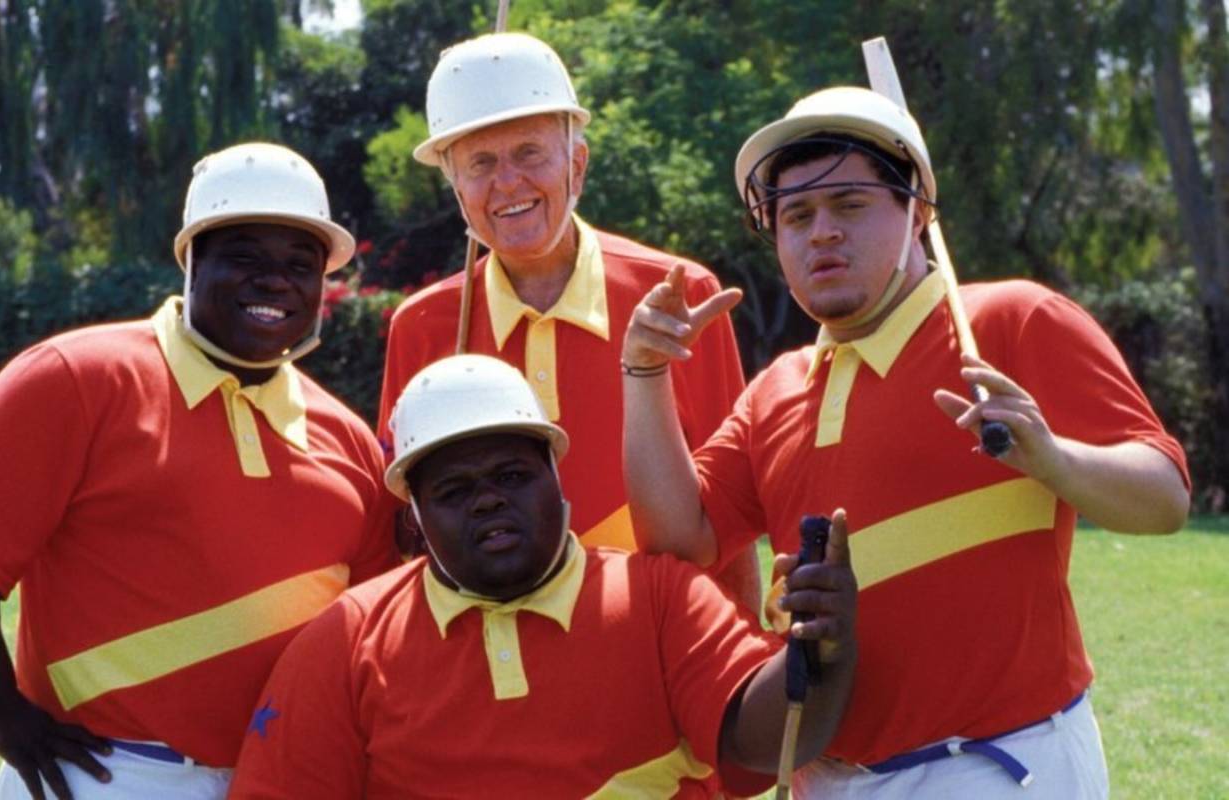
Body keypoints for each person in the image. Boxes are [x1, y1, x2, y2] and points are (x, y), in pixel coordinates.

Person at [621, 86, 1191, 798]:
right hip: (826, 779)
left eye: (850, 206)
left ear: (918, 212)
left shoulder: (1010, 321)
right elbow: (679, 536)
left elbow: (1164, 497)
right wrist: (643, 374)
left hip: (999, 767)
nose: (821, 232)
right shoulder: (776, 389)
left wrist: (1054, 459)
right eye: (795, 215)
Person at [0, 143, 399, 800]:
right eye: (245, 258)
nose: (276, 281)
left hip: (277, 779)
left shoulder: (349, 440)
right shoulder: (78, 376)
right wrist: (2, 715)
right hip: (103, 773)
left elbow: (373, 635)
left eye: (301, 265)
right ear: (192, 258)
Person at [228, 354, 858, 798]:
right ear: (415, 517)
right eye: (454, 490)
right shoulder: (349, 639)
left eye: (511, 477)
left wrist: (820, 649)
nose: (488, 502)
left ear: (556, 480)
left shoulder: (660, 596)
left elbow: (764, 742)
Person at [375, 32, 762, 607]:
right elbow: (407, 532)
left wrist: (747, 660)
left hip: (665, 650)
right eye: (480, 163)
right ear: (456, 189)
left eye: (530, 152)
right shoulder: (422, 326)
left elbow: (731, 520)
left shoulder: (677, 295)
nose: (507, 183)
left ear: (576, 164)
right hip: (500, 663)